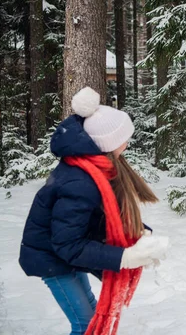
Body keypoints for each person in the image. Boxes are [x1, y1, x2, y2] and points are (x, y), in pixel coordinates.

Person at [19, 87, 168, 335]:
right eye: (123, 138)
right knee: (85, 325)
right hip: (52, 258)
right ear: (107, 143)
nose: (128, 144)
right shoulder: (80, 181)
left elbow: (98, 218)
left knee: (91, 317)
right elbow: (68, 244)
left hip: (64, 256)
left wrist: (139, 234)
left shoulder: (97, 170)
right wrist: (124, 258)